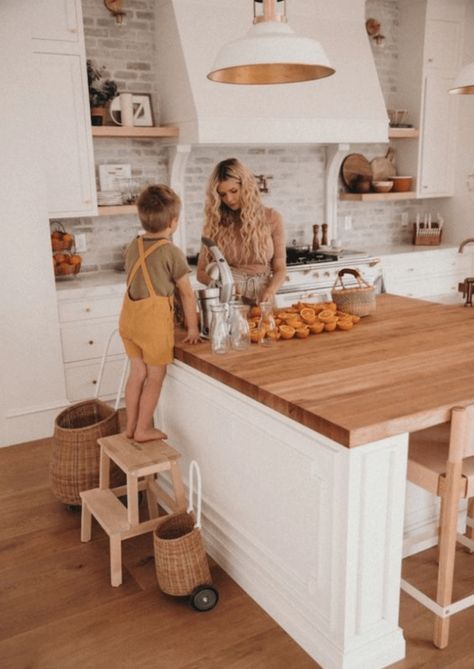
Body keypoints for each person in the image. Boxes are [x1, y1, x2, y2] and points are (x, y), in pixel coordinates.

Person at [119, 184, 201, 443]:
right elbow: (187, 294)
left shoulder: (133, 245)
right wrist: (193, 328)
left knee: (137, 374)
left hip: (129, 321)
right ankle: (144, 429)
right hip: (153, 326)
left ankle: (130, 426)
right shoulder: (171, 252)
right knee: (155, 377)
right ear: (174, 222)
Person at [196, 158, 286, 304]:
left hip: (265, 297)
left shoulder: (272, 218)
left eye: (234, 191)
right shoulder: (215, 223)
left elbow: (280, 267)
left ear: (246, 187)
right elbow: (200, 273)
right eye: (222, 194)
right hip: (231, 299)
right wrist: (224, 286)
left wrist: (270, 291)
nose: (229, 199)